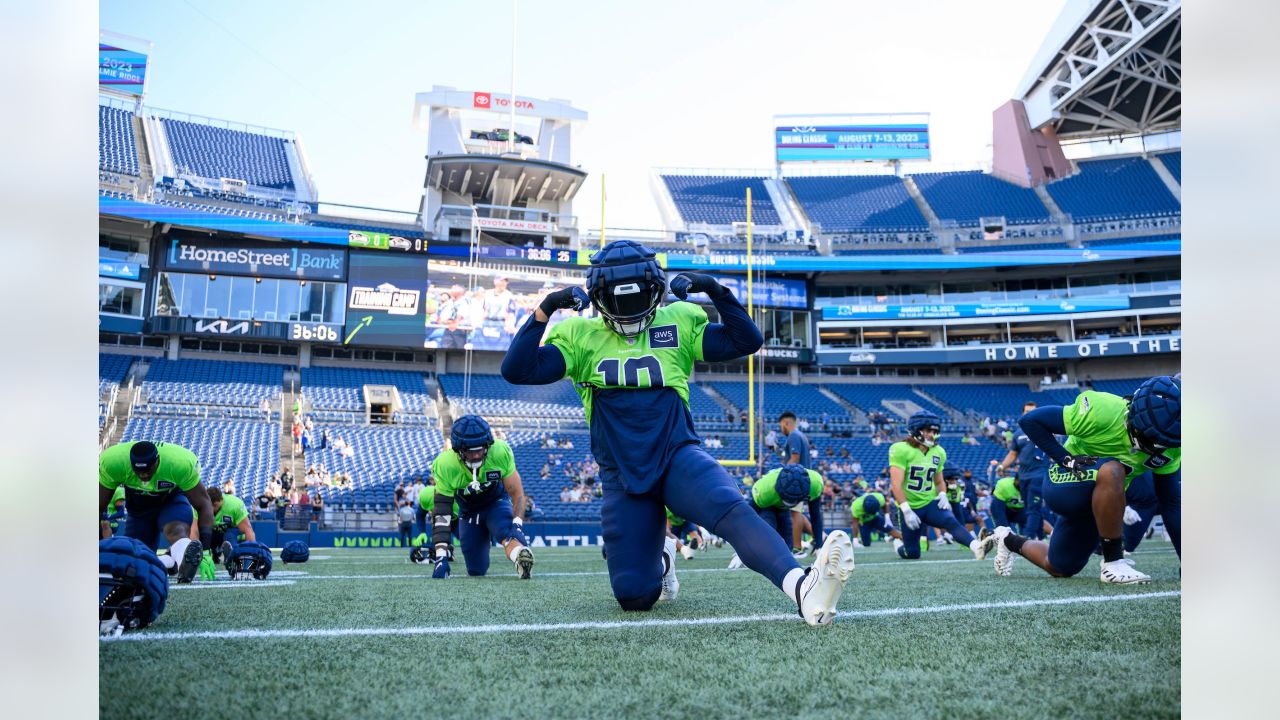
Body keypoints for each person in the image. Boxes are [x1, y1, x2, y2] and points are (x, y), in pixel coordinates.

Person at [501, 240, 854, 625]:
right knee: (634, 596)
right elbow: (516, 369)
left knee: (729, 509)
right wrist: (547, 307)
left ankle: (803, 589)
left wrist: (717, 291)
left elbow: (746, 339)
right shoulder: (579, 336)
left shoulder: (678, 320)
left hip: (676, 456)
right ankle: (665, 557)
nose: (630, 312)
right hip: (621, 475)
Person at [990, 376, 1181, 584]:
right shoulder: (1103, 410)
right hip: (1064, 484)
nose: (1154, 444)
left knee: (1060, 566)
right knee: (1114, 469)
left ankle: (1009, 540)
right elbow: (1030, 420)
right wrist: (1066, 460)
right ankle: (1113, 562)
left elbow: (1170, 503)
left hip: (1099, 501)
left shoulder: (1173, 445)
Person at [427, 415, 535, 579]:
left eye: (480, 449)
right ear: (458, 450)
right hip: (469, 514)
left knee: (507, 532)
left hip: (495, 504)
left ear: (488, 444)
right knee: (476, 570)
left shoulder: (499, 451)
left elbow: (517, 494)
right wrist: (441, 556)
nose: (477, 456)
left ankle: (520, 556)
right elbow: (442, 512)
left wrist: (518, 524)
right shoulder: (446, 464)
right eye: (471, 452)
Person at [98, 440, 214, 584]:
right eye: (138, 471)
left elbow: (204, 504)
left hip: (171, 500)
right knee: (136, 560)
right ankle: (169, 562)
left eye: (148, 470)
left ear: (157, 460)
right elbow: (98, 506)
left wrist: (206, 551)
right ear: (130, 463)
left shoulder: (178, 463)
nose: (144, 476)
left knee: (176, 530)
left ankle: (184, 558)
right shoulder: (114, 463)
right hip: (139, 509)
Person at [888, 412, 997, 561]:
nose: (932, 435)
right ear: (915, 430)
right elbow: (896, 484)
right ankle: (899, 545)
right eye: (927, 431)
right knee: (912, 553)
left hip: (929, 502)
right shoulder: (900, 449)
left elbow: (939, 481)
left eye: (934, 431)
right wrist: (906, 509)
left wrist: (942, 495)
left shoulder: (938, 452)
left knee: (950, 521)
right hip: (909, 505)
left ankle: (977, 547)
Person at [728, 464, 825, 569]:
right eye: (788, 499)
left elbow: (815, 515)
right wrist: (742, 550)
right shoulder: (765, 490)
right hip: (768, 506)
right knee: (768, 530)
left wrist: (819, 545)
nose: (790, 502)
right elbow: (748, 520)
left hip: (783, 509)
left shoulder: (815, 484)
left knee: (788, 547)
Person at [998, 402, 1054, 539]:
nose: (1029, 414)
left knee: (1033, 508)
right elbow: (1012, 454)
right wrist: (1001, 467)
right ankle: (1040, 537)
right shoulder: (1017, 434)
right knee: (1031, 507)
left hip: (1039, 474)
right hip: (1023, 476)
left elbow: (1053, 449)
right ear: (1023, 413)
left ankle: (1027, 537)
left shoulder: (1045, 430)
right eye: (1027, 411)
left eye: (1032, 411)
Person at [206, 486, 256, 562]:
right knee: (204, 533)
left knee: (229, 535)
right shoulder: (200, 505)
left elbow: (248, 530)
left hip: (232, 532)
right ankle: (214, 553)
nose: (212, 509)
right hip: (214, 532)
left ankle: (233, 554)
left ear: (221, 499)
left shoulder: (235, 504)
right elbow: (194, 530)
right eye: (209, 506)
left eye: (215, 505)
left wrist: (251, 554)